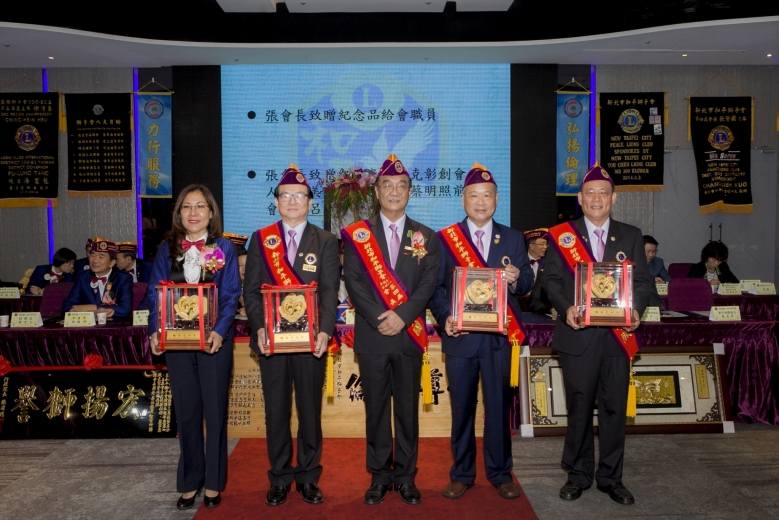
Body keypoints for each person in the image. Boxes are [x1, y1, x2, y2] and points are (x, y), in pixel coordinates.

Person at [542, 165, 650, 506]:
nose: (597, 199)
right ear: (580, 198)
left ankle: (611, 477)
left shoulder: (631, 235)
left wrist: (636, 310)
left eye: (604, 192)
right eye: (590, 193)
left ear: (613, 198)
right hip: (578, 336)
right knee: (579, 408)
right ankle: (578, 475)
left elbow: (642, 283)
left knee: (615, 410)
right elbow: (551, 281)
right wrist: (565, 308)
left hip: (617, 338)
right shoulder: (562, 235)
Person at [429, 163, 533, 500]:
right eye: (473, 196)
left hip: (499, 341)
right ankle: (461, 473)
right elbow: (435, 289)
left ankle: (501, 473)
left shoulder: (513, 238)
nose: (480, 202)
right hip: (460, 339)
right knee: (461, 408)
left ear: (496, 199)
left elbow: (528, 283)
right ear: (463, 199)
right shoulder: (445, 239)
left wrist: (517, 279)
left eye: (486, 195)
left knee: (499, 408)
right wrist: (445, 316)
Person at [342, 154, 440, 506]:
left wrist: (403, 315)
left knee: (407, 413)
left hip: (409, 335)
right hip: (373, 335)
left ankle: (406, 477)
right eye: (387, 186)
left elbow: (428, 285)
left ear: (409, 192)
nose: (394, 192)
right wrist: (381, 317)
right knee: (377, 411)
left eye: (401, 186)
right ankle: (380, 476)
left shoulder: (426, 236)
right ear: (377, 192)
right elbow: (354, 281)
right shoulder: (359, 235)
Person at [243, 166, 339, 506]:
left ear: (310, 202)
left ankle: (309, 477)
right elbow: (251, 291)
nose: (292, 201)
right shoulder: (261, 238)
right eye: (285, 196)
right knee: (276, 411)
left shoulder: (325, 241)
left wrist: (325, 331)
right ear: (277, 202)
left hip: (311, 342)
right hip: (272, 342)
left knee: (310, 411)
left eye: (299, 196)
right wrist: (259, 328)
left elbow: (329, 292)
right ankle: (280, 476)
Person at [146, 184, 241, 510]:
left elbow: (230, 294)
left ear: (211, 212)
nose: (193, 212)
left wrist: (220, 330)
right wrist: (155, 331)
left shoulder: (222, 247)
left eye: (200, 206)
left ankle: (213, 482)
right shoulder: (167, 248)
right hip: (177, 343)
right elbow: (155, 294)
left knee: (214, 413)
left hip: (213, 342)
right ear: (179, 213)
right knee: (186, 413)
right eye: (187, 207)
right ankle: (189, 481)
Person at [61, 239, 133, 320]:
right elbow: (67, 307)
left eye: (101, 257)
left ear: (112, 263)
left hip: (113, 325)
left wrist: (91, 308)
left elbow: (125, 310)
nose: (95, 260)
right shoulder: (82, 277)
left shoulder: (123, 278)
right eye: (92, 255)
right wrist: (93, 313)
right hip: (88, 325)